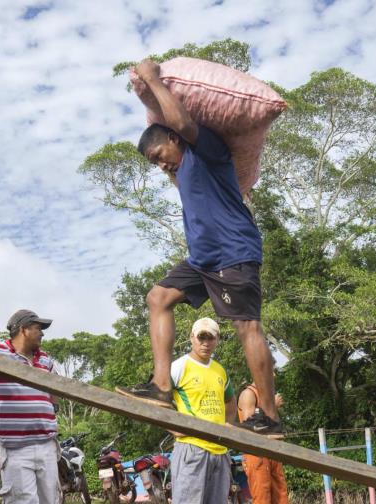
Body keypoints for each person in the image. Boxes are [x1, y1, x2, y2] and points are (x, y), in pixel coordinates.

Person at [116, 59, 283, 437]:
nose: (160, 165)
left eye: (159, 156)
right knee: (158, 298)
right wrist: (172, 173)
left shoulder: (203, 148)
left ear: (173, 140)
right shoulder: (184, 170)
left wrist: (154, 81)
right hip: (203, 259)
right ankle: (161, 386)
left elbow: (182, 123)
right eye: (154, 163)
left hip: (232, 252)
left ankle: (270, 416)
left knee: (247, 327)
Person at [0, 295, 60, 504]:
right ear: (24, 329)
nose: (42, 334)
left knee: (52, 500)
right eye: (39, 328)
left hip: (47, 443)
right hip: (16, 447)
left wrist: (52, 407)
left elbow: (56, 386)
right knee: (22, 501)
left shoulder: (45, 358)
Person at [168, 317, 236, 504]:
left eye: (210, 338)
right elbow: (155, 400)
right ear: (192, 337)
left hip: (220, 451)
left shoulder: (220, 370)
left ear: (217, 340)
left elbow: (230, 401)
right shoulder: (178, 367)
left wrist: (228, 425)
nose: (205, 343)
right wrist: (173, 428)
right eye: (201, 337)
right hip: (192, 447)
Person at [238, 384, 289, 504]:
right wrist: (272, 406)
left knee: (282, 498)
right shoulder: (248, 394)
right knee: (262, 500)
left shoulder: (267, 396)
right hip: (256, 455)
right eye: (271, 370)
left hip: (273, 453)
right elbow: (249, 427)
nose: (274, 374)